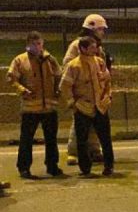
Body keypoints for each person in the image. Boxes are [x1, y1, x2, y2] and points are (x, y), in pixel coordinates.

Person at [6, 31, 63, 179]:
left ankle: (52, 166)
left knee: (51, 139)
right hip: (30, 108)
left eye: (39, 43)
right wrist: (22, 90)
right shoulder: (20, 60)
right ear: (28, 45)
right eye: (34, 44)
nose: (37, 47)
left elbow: (59, 76)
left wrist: (58, 90)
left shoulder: (50, 60)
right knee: (26, 139)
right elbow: (12, 78)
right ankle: (24, 168)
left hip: (49, 107)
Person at [60, 36, 115, 177]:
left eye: (95, 46)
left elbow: (108, 81)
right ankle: (85, 169)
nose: (95, 49)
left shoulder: (100, 62)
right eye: (91, 47)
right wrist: (73, 103)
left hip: (100, 106)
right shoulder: (74, 66)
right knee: (82, 140)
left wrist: (108, 96)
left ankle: (109, 166)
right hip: (83, 107)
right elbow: (65, 86)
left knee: (105, 139)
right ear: (83, 49)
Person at [63, 14, 110, 166]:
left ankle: (94, 150)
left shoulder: (98, 47)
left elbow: (102, 68)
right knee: (79, 125)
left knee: (95, 124)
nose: (102, 32)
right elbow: (68, 65)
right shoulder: (77, 45)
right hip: (81, 93)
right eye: (100, 29)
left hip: (96, 92)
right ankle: (73, 152)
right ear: (92, 29)